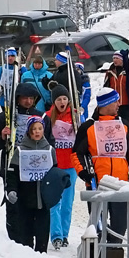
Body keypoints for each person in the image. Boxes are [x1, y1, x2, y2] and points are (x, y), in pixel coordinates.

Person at [71, 89, 129, 258]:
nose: (119, 105)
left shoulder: (124, 125)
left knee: (119, 227)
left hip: (121, 186)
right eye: (115, 102)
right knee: (98, 227)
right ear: (105, 105)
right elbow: (76, 153)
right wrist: (84, 174)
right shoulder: (89, 127)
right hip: (98, 186)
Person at [0, 82, 43, 241]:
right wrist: (2, 137)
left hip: (33, 170)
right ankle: (15, 242)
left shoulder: (39, 117)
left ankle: (28, 241)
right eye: (24, 98)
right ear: (17, 98)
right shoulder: (5, 117)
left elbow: (48, 143)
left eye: (31, 98)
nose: (28, 101)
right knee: (14, 207)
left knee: (30, 207)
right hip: (10, 169)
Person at [4, 116, 55, 253]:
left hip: (43, 201)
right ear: (28, 131)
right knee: (26, 236)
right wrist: (11, 190)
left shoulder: (50, 150)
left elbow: (55, 173)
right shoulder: (20, 151)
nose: (37, 132)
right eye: (34, 129)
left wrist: (58, 189)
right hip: (25, 200)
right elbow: (12, 174)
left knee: (42, 235)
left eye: (40, 128)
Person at [44, 84, 79, 249]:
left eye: (64, 98)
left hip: (71, 165)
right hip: (55, 165)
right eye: (59, 99)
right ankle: (56, 235)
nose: (62, 101)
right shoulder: (48, 116)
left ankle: (65, 234)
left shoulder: (75, 116)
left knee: (67, 202)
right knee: (54, 202)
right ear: (54, 101)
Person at [105, 52, 129, 130]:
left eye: (117, 58)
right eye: (113, 58)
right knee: (114, 126)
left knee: (126, 126)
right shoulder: (110, 72)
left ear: (122, 60)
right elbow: (105, 87)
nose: (114, 60)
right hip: (113, 105)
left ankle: (127, 140)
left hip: (126, 104)